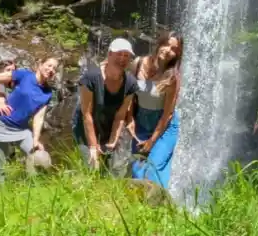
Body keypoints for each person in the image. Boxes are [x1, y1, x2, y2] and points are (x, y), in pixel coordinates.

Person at [0, 57, 58, 184]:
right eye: (49, 65)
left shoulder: (47, 93)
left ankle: (36, 189)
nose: (51, 69)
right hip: (2, 125)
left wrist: (36, 139)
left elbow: (38, 117)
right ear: (40, 64)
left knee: (40, 157)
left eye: (54, 68)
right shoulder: (24, 75)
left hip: (22, 130)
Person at [71, 38, 137, 175]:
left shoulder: (130, 83)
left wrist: (112, 141)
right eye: (119, 54)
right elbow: (86, 114)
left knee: (108, 171)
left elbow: (120, 116)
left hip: (107, 127)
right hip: (84, 128)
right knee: (91, 167)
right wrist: (93, 146)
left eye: (126, 56)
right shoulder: (91, 78)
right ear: (109, 54)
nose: (122, 59)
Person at [127, 31, 183, 188]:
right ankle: (137, 210)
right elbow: (130, 93)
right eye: (166, 44)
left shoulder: (172, 78)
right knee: (137, 171)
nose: (168, 50)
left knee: (154, 168)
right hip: (142, 123)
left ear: (176, 55)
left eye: (174, 49)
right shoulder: (138, 63)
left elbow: (168, 114)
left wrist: (151, 142)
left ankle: (158, 209)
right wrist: (129, 117)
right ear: (159, 43)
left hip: (164, 127)